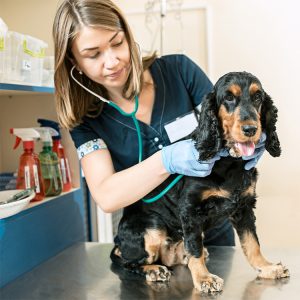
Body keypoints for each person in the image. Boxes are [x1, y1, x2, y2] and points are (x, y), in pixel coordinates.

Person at [52, 0, 265, 246]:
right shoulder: (84, 119)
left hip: (210, 236)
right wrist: (166, 160)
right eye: (93, 54)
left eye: (117, 43)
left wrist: (253, 137)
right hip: (151, 240)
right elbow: (107, 196)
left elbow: (227, 124)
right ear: (73, 62)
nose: (112, 61)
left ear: (128, 36)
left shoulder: (180, 72)